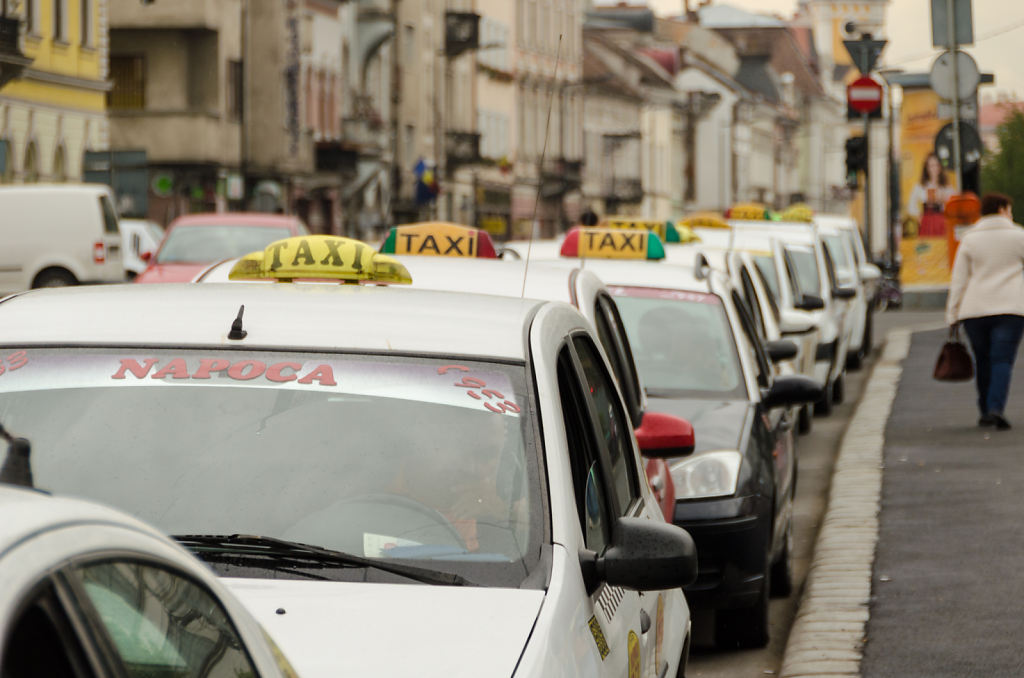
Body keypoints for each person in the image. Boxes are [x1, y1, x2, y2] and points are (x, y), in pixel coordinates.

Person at [946, 193, 1024, 430]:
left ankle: (984, 409)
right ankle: (995, 408)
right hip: (1011, 308)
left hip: (975, 310)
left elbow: (959, 279)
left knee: (983, 360)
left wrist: (953, 314)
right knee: (1002, 359)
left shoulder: (969, 239)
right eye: (1009, 209)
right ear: (1002, 209)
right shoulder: (1019, 236)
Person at [907, 153, 954, 237]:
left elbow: (954, 204)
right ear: (927, 168)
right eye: (931, 165)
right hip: (927, 221)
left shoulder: (946, 186)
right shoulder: (921, 186)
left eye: (937, 165)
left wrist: (944, 200)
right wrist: (919, 216)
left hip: (942, 220)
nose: (935, 168)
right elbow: (911, 204)